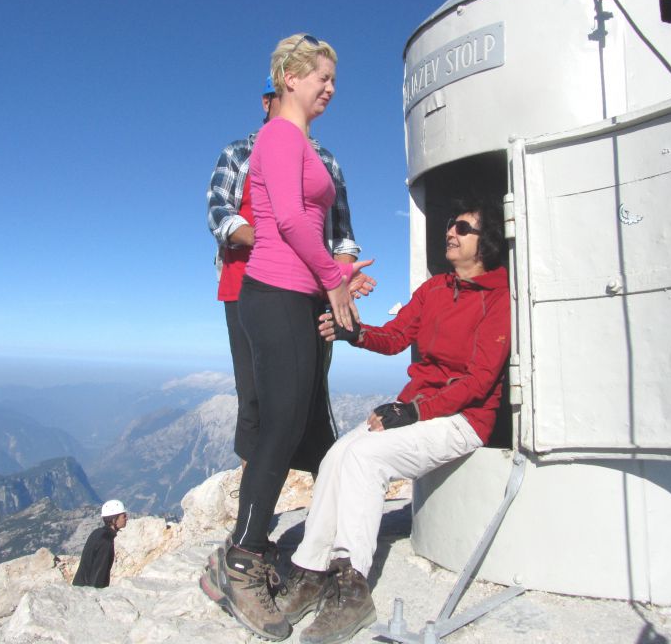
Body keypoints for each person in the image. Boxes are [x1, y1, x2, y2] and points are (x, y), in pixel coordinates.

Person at [274, 198, 511, 644]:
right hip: (419, 408)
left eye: (463, 227)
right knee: (338, 454)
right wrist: (356, 334)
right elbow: (399, 336)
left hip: (463, 419)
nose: (451, 232)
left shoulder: (499, 299)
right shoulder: (435, 289)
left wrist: (415, 411)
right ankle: (309, 570)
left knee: (365, 459)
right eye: (449, 225)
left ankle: (353, 587)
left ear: (488, 243)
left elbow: (480, 380)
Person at [200, 34, 371, 641]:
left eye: (333, 79)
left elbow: (326, 227)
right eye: (321, 76)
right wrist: (335, 282)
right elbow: (293, 223)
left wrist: (340, 277)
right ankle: (239, 562)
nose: (330, 88)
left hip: (297, 295)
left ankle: (314, 557)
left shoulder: (308, 148)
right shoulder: (276, 137)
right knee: (276, 425)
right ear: (290, 78)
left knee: (310, 429)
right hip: (274, 294)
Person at [206, 76, 365, 468]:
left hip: (310, 289)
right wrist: (272, 244)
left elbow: (343, 236)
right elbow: (219, 214)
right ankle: (253, 495)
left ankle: (316, 494)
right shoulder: (239, 152)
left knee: (309, 392)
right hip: (244, 287)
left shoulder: (325, 161)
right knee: (253, 394)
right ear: (268, 102)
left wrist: (339, 283)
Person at [71, 499, 128, 588]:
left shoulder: (97, 532)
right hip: (88, 591)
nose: (126, 518)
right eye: (124, 516)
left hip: (80, 585)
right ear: (114, 520)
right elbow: (100, 571)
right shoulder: (106, 541)